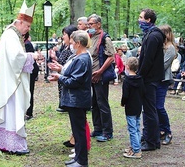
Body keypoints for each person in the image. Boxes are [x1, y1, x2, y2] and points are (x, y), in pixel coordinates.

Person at [0, 0, 36, 155]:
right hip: (12, 82)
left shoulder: (12, 34)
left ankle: (4, 142)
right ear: (20, 22)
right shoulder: (11, 35)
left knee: (9, 112)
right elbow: (16, 58)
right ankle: (14, 145)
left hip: (10, 79)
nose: (27, 30)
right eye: (27, 26)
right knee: (13, 111)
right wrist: (32, 55)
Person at [48, 30, 92, 167]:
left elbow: (74, 81)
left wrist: (59, 77)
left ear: (78, 44)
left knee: (79, 132)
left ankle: (82, 161)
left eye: (72, 42)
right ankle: (78, 158)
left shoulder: (82, 59)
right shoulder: (78, 57)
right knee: (77, 132)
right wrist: (60, 70)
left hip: (77, 100)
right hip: (74, 100)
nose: (70, 45)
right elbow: (72, 74)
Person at [137, 8, 165, 151]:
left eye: (141, 18)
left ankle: (152, 142)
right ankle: (147, 137)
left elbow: (148, 59)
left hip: (149, 79)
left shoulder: (154, 36)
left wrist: (139, 75)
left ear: (148, 20)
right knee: (147, 110)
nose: (139, 20)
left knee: (149, 110)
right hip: (148, 77)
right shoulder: (150, 34)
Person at [87, 14, 115, 142]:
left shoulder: (105, 38)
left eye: (91, 24)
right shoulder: (90, 37)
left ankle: (107, 131)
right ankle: (97, 128)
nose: (89, 27)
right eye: (88, 24)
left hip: (100, 76)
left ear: (98, 24)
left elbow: (111, 57)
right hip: (91, 76)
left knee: (102, 103)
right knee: (94, 103)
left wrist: (100, 72)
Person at [156, 25, 176, 145]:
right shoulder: (161, 47)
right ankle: (160, 129)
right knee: (154, 107)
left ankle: (168, 131)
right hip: (156, 80)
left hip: (163, 80)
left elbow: (163, 65)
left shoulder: (170, 48)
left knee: (159, 106)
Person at [121, 57, 144, 159]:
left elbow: (125, 95)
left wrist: (123, 103)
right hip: (138, 106)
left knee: (132, 129)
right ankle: (136, 146)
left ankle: (136, 150)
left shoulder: (127, 81)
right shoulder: (140, 79)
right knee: (137, 127)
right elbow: (143, 92)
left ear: (127, 67)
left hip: (130, 107)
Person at [56, 25, 78, 113]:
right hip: (62, 73)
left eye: (65, 34)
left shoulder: (74, 50)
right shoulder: (65, 46)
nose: (63, 36)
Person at [24, 32, 39, 120]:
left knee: (29, 90)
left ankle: (29, 113)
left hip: (31, 70)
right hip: (29, 70)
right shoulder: (25, 43)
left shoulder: (27, 44)